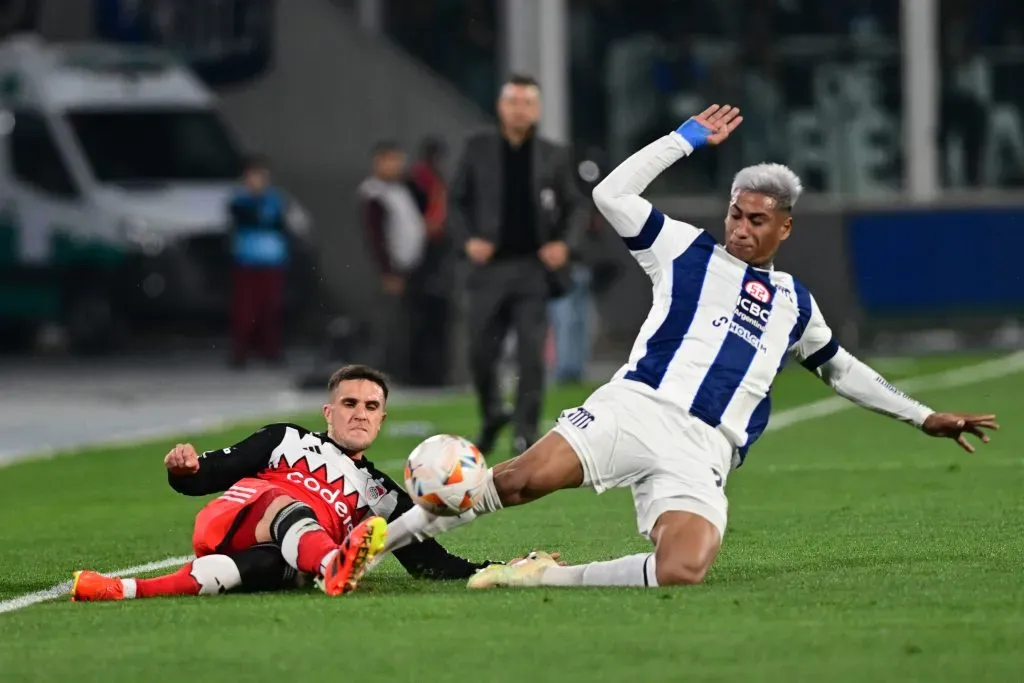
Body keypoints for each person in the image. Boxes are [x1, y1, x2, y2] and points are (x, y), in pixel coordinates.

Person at [367, 104, 1000, 590]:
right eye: (736, 214)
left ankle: (544, 575)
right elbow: (611, 195)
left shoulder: (796, 304)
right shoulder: (685, 251)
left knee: (682, 570)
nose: (741, 228)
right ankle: (376, 545)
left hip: (704, 450)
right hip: (637, 406)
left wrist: (923, 416)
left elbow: (842, 370)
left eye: (757, 220)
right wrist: (685, 138)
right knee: (520, 479)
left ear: (785, 227)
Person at [70, 365, 505, 602]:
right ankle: (332, 565)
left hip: (286, 554)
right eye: (349, 403)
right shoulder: (286, 439)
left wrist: (496, 570)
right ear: (328, 412)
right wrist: (183, 469)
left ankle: (119, 589)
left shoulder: (385, 495)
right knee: (285, 502)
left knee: (262, 572)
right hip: (239, 516)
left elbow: (429, 563)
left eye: (371, 407)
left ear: (382, 419)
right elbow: (209, 475)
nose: (360, 413)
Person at [449, 74, 588, 455]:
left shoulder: (553, 153)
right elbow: (455, 201)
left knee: (531, 355)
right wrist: (468, 240)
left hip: (533, 270)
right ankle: (493, 411)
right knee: (479, 351)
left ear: (537, 109)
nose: (520, 109)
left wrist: (564, 244)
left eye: (527, 102)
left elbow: (576, 206)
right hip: (488, 270)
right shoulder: (477, 148)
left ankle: (525, 431)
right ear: (500, 106)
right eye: (513, 101)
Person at [359, 141, 427, 381]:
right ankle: (376, 371)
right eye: (391, 160)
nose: (397, 166)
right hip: (391, 269)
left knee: (403, 322)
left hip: (409, 266)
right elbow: (376, 236)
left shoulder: (400, 189)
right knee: (386, 322)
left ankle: (400, 369)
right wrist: (387, 271)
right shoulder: (374, 192)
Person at [227, 154, 290, 369]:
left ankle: (271, 350)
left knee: (271, 308)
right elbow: (244, 219)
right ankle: (241, 351)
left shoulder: (276, 200)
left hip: (272, 261)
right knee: (246, 309)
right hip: (247, 261)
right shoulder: (239, 201)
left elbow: (280, 224)